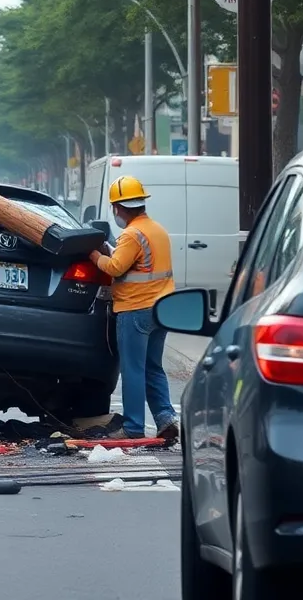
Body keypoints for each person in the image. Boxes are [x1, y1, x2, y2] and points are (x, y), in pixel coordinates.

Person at [89, 176, 180, 443]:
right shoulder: (157, 230)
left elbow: (115, 267)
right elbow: (141, 263)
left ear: (118, 207)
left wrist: (96, 256)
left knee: (133, 369)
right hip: (160, 309)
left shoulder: (131, 234)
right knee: (153, 367)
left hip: (135, 309)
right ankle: (165, 419)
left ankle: (133, 427)